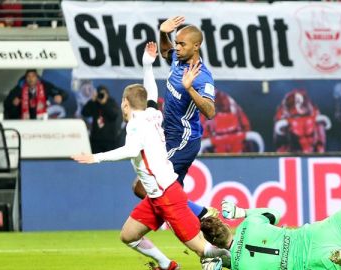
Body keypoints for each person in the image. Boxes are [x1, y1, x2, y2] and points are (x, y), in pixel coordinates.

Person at [72, 43, 229, 270]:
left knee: (202, 249)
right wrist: (147, 64)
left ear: (125, 104)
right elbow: (151, 93)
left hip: (167, 195)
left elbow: (130, 151)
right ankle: (167, 264)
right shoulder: (152, 114)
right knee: (128, 235)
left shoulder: (136, 125)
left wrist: (96, 158)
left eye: (123, 103)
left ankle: (239, 261)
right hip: (156, 197)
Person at [201, 153, 341, 270]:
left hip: (312, 262)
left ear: (214, 243)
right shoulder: (248, 225)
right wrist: (241, 212)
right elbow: (275, 213)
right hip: (317, 233)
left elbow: (239, 259)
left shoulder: (240, 265)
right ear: (225, 224)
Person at [132, 16, 217, 220]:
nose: (177, 47)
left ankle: (203, 214)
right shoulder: (179, 60)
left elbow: (210, 111)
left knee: (142, 186)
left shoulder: (202, 76)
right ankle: (208, 230)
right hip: (167, 136)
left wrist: (190, 89)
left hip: (183, 140)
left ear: (196, 46)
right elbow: (164, 51)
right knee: (170, 195)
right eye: (176, 42)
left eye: (182, 44)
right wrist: (163, 33)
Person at [274, 89, 330, 153]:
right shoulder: (281, 117)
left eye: (310, 135)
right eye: (297, 138)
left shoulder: (316, 116)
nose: (304, 142)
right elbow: (279, 145)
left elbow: (321, 144)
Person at [3, 69, 68, 120]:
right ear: (25, 78)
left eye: (33, 76)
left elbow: (64, 93)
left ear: (37, 77)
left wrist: (61, 96)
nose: (31, 79)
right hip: (24, 121)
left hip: (42, 120)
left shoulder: (45, 86)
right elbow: (6, 103)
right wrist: (13, 103)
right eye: (28, 76)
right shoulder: (19, 88)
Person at [81, 85, 122, 153]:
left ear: (107, 94)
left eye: (103, 94)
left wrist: (104, 103)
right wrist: (91, 100)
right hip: (96, 139)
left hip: (109, 139)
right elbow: (84, 113)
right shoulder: (94, 103)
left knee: (110, 161)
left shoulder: (111, 102)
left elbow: (114, 115)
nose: (101, 96)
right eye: (99, 94)